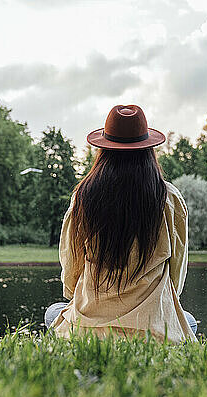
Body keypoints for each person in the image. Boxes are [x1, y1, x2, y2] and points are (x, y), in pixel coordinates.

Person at [44, 105, 197, 343]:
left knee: (53, 312)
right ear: (148, 150)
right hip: (151, 331)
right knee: (189, 321)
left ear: (103, 151)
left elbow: (71, 269)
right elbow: (177, 270)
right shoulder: (169, 198)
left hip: (89, 329)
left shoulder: (83, 197)